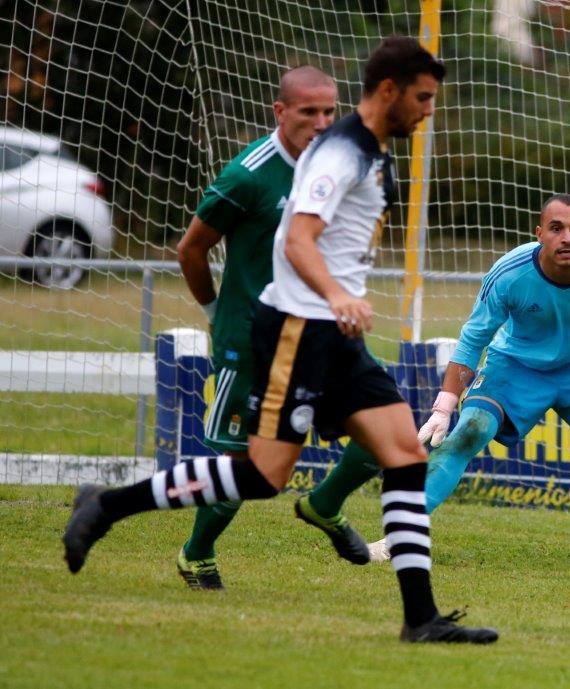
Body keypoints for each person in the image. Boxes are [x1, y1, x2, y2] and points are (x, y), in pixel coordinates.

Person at [62, 36, 497, 644]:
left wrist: (339, 303)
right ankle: (106, 506)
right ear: (390, 91)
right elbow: (297, 240)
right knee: (264, 475)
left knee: (404, 454)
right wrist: (337, 295)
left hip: (332, 336)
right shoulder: (340, 153)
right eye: (423, 98)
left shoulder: (372, 150)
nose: (429, 110)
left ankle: (420, 620)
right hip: (297, 329)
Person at [367, 193, 570, 571]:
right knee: (470, 430)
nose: (567, 237)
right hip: (515, 366)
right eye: (556, 228)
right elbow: (474, 339)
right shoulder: (510, 273)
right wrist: (443, 408)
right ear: (540, 234)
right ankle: (399, 538)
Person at [174, 65, 381, 590]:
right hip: (253, 339)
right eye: (308, 111)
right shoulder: (249, 174)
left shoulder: (341, 163)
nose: (320, 122)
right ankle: (196, 554)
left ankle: (324, 505)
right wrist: (215, 313)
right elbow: (192, 248)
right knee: (247, 464)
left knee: (384, 433)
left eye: (329, 111)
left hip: (323, 331)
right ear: (280, 112)